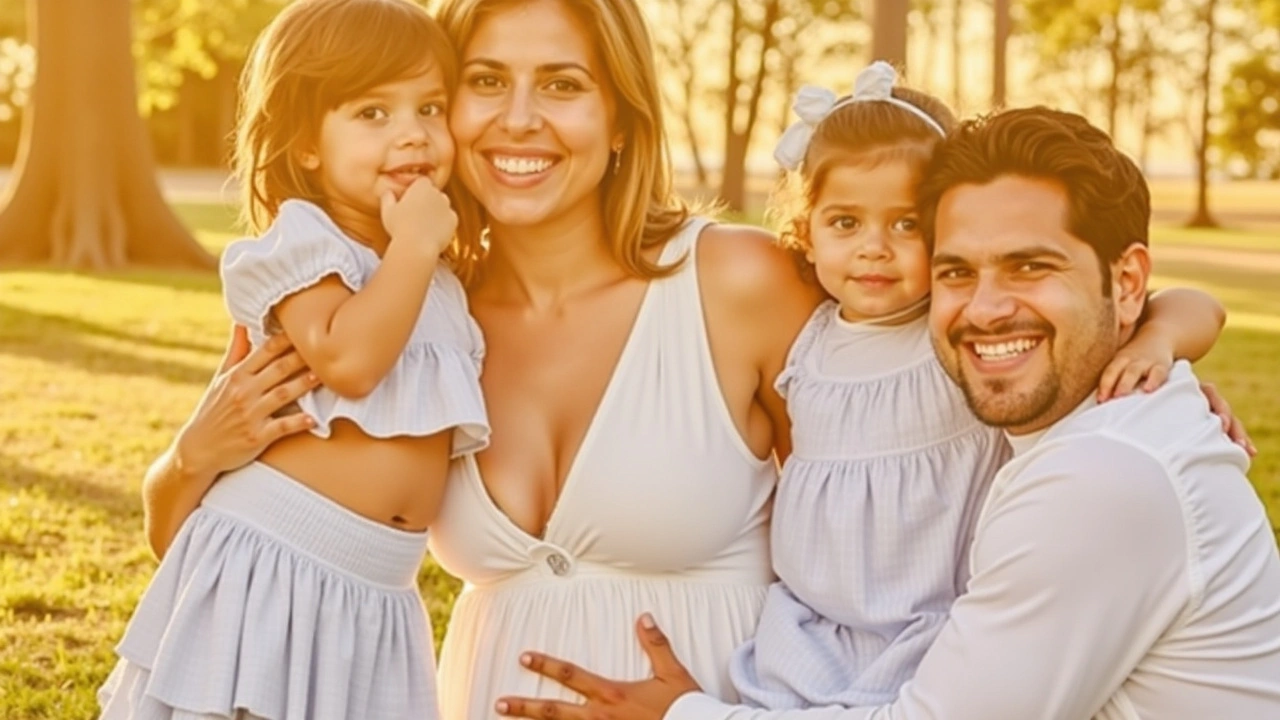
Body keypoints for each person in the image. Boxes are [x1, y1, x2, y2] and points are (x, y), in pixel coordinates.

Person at [135, 2, 1248, 719]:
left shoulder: (743, 283)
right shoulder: (404, 307)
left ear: (619, 119)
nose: (519, 120)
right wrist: (187, 455)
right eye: (485, 82)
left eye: (562, 86)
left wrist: (1158, 334)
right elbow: (213, 539)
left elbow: (979, 349)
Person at [494, 107, 1280, 720]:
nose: (987, 308)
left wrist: (684, 713)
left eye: (1031, 267)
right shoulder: (1106, 417)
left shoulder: (1105, 475)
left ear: (1129, 280)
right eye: (956, 272)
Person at [97, 1, 487, 718]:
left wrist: (421, 252)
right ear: (306, 144)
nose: (413, 134)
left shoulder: (436, 276)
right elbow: (349, 360)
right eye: (373, 114)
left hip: (378, 591)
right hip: (274, 569)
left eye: (430, 107)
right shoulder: (305, 243)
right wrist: (415, 246)